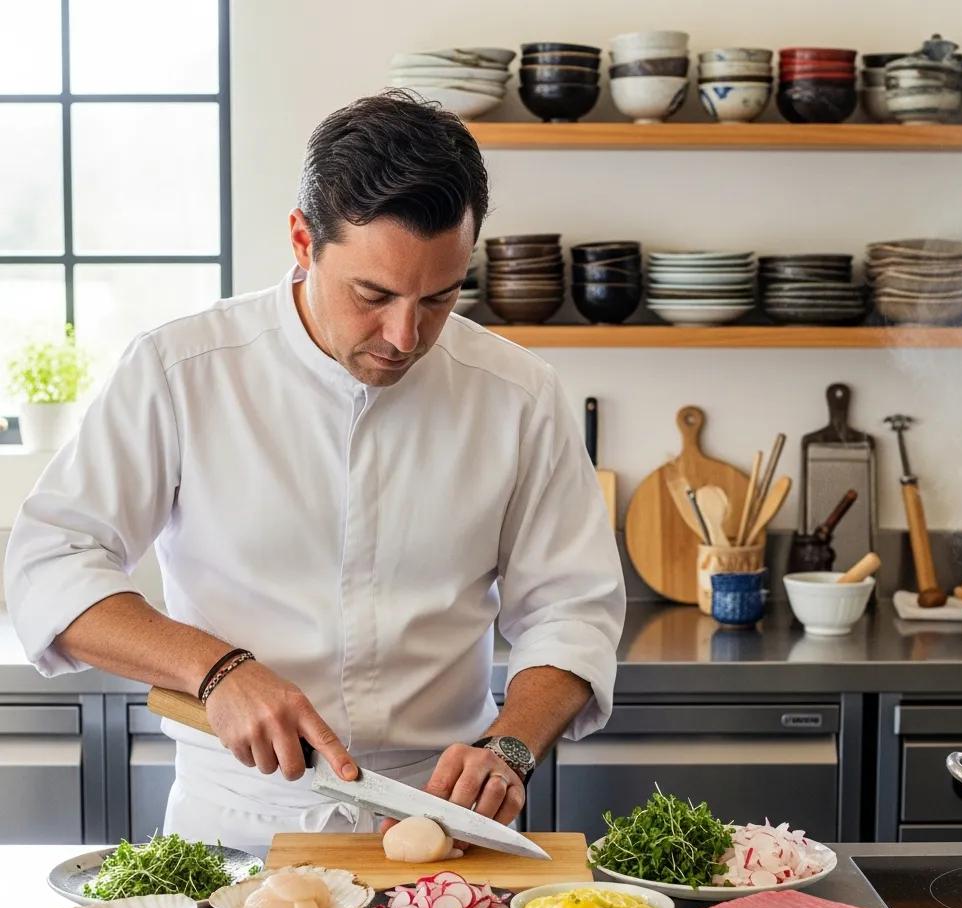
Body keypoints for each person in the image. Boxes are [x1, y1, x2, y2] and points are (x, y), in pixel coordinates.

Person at [4, 93, 625, 851]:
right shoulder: (180, 370)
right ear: (303, 241)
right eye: (373, 294)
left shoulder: (520, 394)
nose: (405, 335)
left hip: (439, 825)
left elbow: (573, 610)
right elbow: (48, 565)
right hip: (235, 829)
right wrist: (216, 670)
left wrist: (513, 746)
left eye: (439, 297)